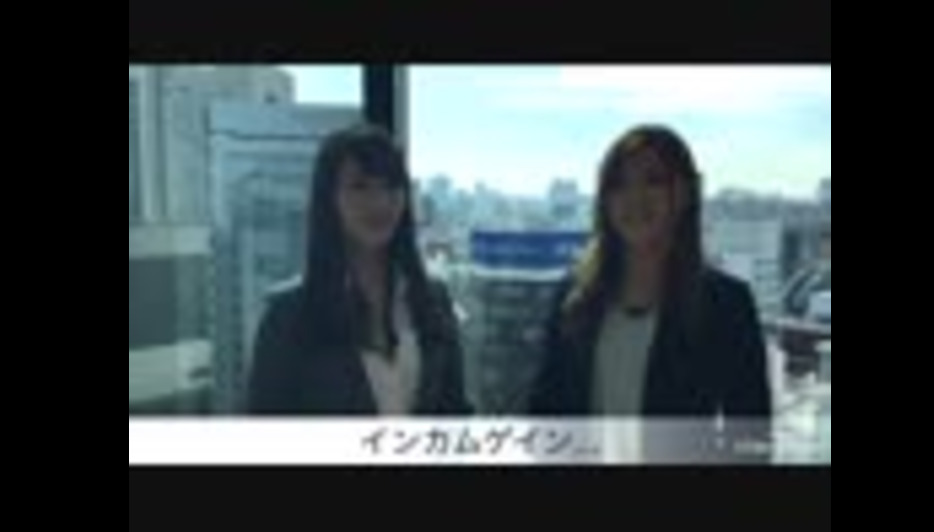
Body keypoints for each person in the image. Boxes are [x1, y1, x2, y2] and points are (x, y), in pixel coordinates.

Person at [529, 125, 772, 462]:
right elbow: (545, 412)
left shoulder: (726, 304)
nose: (634, 198)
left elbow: (750, 440)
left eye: (653, 181)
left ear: (684, 193)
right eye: (618, 184)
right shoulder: (573, 297)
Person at [247, 124, 471, 416]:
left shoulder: (434, 300)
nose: (379, 202)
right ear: (329, 199)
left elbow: (455, 411)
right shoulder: (288, 315)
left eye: (391, 186)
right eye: (360, 186)